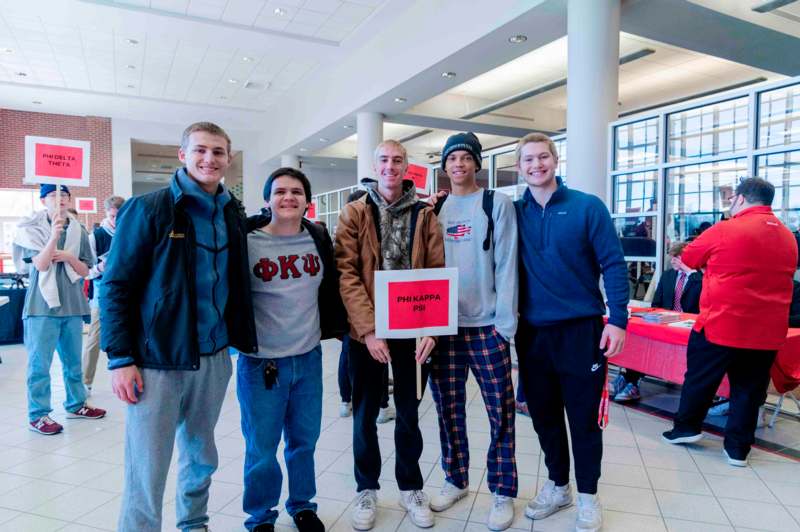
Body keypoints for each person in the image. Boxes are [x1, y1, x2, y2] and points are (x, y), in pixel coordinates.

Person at [100, 122, 258, 532]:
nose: (210, 159)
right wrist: (120, 358)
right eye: (201, 150)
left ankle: (194, 524)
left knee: (201, 455)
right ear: (182, 154)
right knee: (148, 465)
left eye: (219, 152)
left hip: (215, 357)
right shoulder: (148, 209)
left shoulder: (231, 212)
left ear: (228, 158)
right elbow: (115, 286)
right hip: (157, 363)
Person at [514, 132, 629, 532]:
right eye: (528, 160)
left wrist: (618, 319)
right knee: (543, 418)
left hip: (581, 332)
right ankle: (558, 485)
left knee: (582, 419)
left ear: (555, 160)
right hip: (531, 335)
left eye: (542, 157)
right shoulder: (514, 212)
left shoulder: (587, 207)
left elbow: (614, 264)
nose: (536, 165)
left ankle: (588, 497)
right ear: (519, 166)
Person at [335, 140, 444, 530]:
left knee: (410, 413)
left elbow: (436, 270)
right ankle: (366, 489)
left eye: (398, 161)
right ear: (375, 165)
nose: (390, 167)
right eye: (384, 160)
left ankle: (411, 487)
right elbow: (346, 273)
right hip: (367, 332)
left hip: (413, 328)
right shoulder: (355, 212)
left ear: (406, 168)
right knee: (364, 414)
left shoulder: (424, 216)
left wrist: (432, 328)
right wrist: (367, 331)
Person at [239, 167, 347, 532]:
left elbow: (330, 287)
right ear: (268, 199)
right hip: (261, 364)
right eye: (280, 191)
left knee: (303, 442)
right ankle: (260, 516)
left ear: (307, 200)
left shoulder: (316, 236)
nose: (288, 197)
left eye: (296, 191)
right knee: (262, 447)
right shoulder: (247, 240)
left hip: (307, 359)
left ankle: (302, 506)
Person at [662, 177, 797, 467]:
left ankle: (686, 428)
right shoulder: (788, 236)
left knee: (700, 378)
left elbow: (690, 256)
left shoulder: (726, 229)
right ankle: (737, 449)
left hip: (722, 323)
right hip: (767, 330)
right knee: (749, 389)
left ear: (740, 199)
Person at [427, 132, 519, 531]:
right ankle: (456, 478)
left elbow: (508, 262)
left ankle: (501, 490)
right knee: (448, 409)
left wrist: (505, 325)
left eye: (466, 158)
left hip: (487, 327)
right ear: (444, 166)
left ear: (476, 163)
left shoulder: (495, 203)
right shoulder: (436, 208)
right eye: (452, 159)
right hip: (443, 328)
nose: (459, 164)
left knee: (500, 409)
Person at [12, 184, 106, 435]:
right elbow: (41, 265)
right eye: (53, 195)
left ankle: (76, 405)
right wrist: (53, 236)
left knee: (73, 362)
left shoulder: (78, 229)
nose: (60, 199)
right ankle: (38, 415)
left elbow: (86, 270)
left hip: (73, 304)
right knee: (39, 365)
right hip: (41, 305)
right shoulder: (31, 229)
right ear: (43, 200)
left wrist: (68, 256)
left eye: (64, 195)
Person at [610, 241, 703, 402]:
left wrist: (689, 271)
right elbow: (656, 303)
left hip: (688, 328)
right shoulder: (667, 276)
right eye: (672, 257)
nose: (673, 260)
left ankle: (629, 380)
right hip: (665, 324)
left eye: (678, 257)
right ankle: (630, 380)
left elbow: (702, 301)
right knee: (641, 343)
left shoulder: (699, 278)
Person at [337, 189, 395, 423]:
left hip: (370, 316)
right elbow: (346, 274)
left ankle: (347, 401)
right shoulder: (352, 221)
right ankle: (378, 405)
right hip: (360, 319)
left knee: (350, 359)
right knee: (368, 363)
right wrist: (369, 328)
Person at [82, 195, 125, 394]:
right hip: (102, 291)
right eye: (113, 216)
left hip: (128, 290)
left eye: (120, 215)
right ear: (106, 214)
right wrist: (100, 266)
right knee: (95, 337)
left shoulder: (130, 232)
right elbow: (86, 271)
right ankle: (85, 382)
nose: (117, 219)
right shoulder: (96, 236)